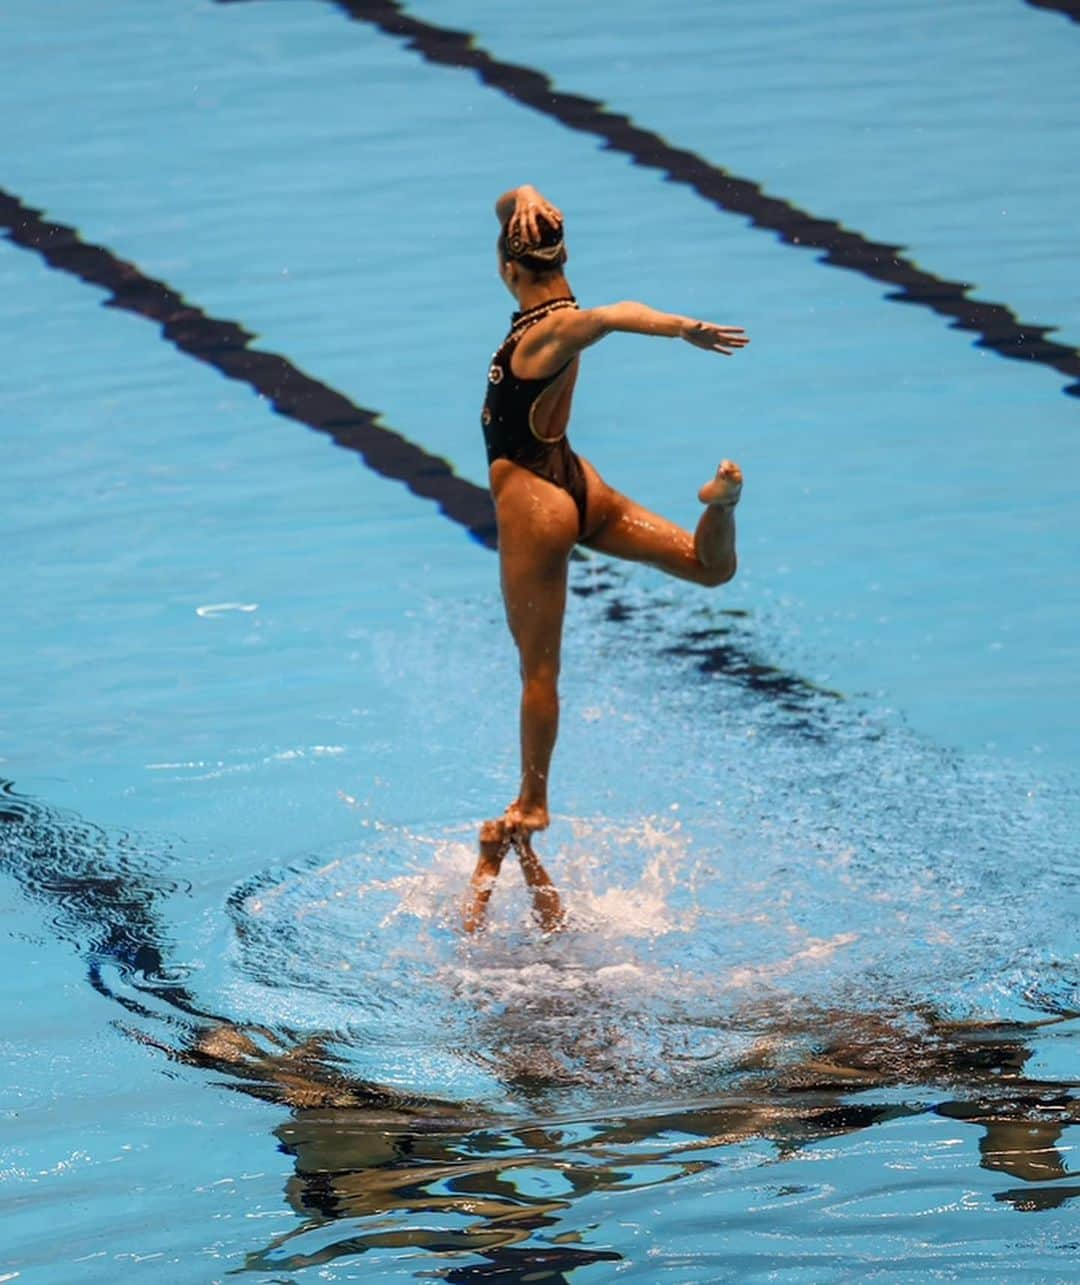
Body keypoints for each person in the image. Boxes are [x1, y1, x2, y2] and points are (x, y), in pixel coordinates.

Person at [463, 184, 748, 934]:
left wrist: (681, 327)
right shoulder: (551, 290)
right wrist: (523, 194)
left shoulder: (541, 336)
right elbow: (517, 216)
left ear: (509, 271)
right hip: (576, 478)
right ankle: (719, 505)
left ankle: (533, 796)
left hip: (536, 497)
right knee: (705, 564)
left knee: (538, 670)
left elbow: (611, 318)